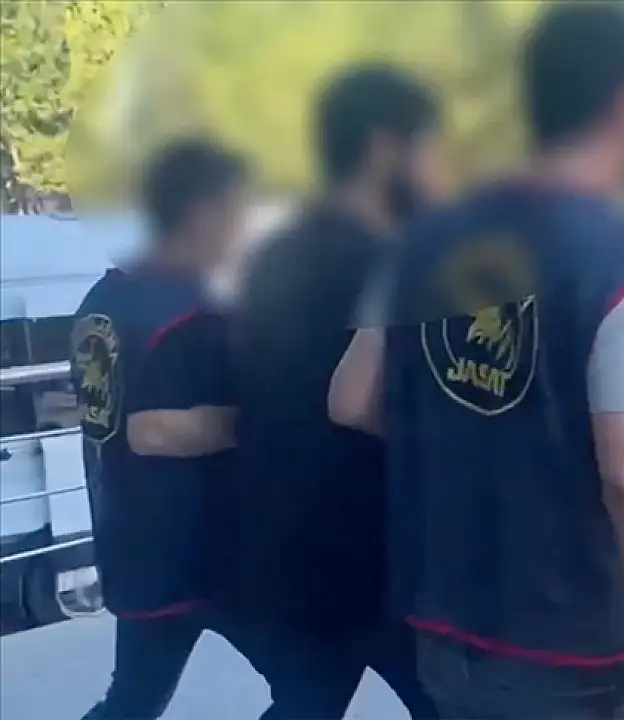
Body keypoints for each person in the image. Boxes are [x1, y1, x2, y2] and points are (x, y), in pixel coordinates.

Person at [328, 5, 624, 719]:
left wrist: (476, 444)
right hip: (579, 653)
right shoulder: (618, 258)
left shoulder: (421, 241)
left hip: (446, 628)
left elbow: (351, 398)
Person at [230, 64, 443, 719]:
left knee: (305, 701)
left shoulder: (272, 256)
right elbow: (387, 407)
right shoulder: (395, 261)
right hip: (377, 558)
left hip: (284, 554)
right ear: (383, 147)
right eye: (427, 146)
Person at [71, 138, 248, 719]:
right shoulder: (186, 308)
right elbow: (153, 432)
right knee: (313, 680)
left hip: (131, 536)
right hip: (196, 550)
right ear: (202, 212)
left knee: (134, 696)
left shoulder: (102, 298)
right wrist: (266, 423)